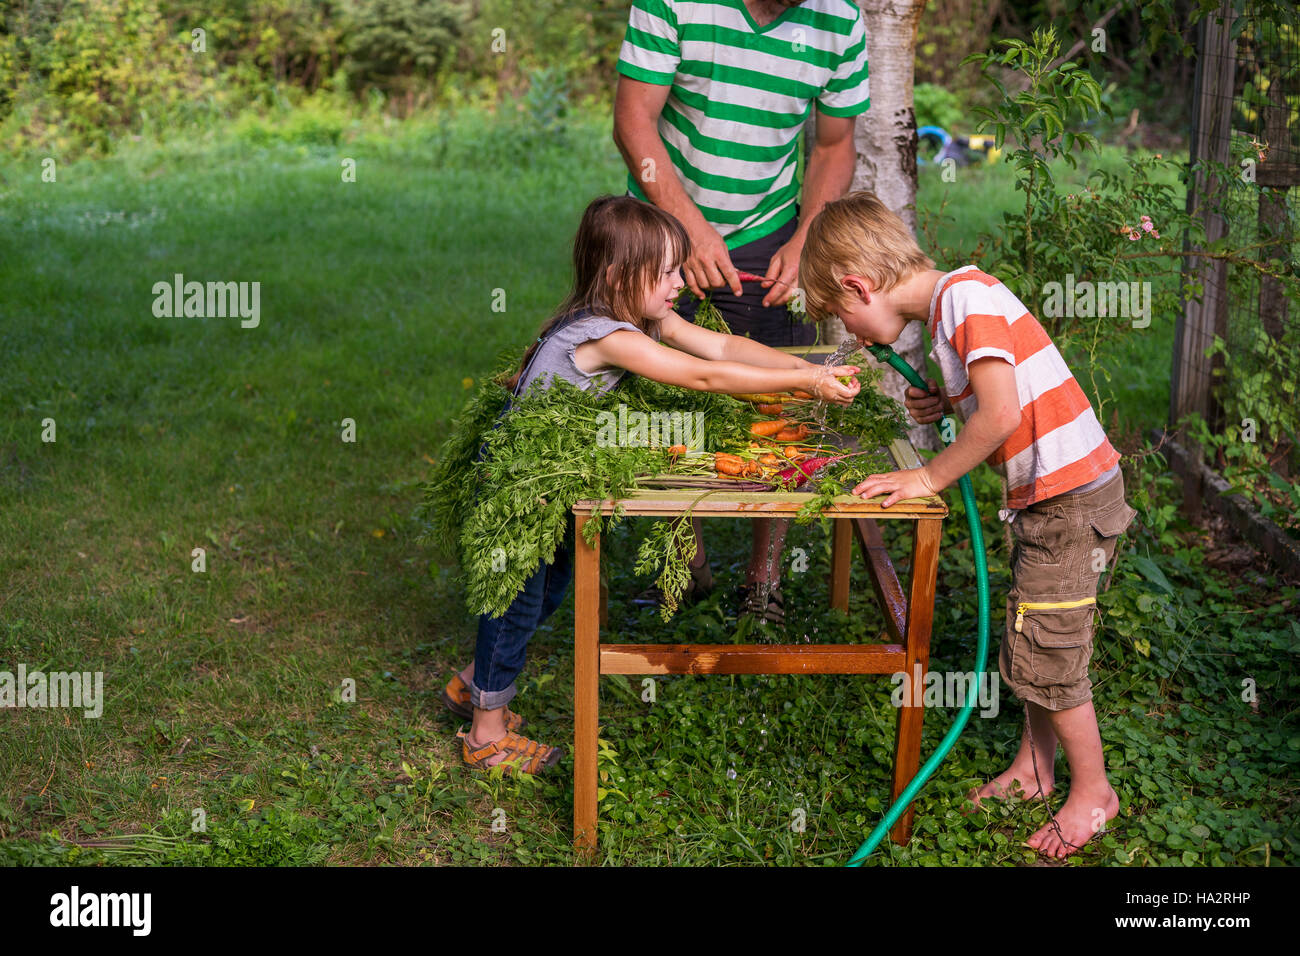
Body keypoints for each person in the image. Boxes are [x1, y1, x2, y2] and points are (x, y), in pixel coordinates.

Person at [443, 195, 862, 774]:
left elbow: (720, 347)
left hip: (555, 486)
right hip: (523, 488)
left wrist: (802, 372)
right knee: (514, 604)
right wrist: (810, 382)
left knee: (549, 592)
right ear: (619, 275)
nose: (678, 283)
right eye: (666, 272)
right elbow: (704, 374)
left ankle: (472, 685)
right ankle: (485, 736)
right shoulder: (606, 334)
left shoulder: (639, 317)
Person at [798, 191, 1138, 858]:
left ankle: (1094, 792)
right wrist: (941, 399)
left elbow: (1002, 416)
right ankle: (1036, 769)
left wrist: (926, 478)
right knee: (1032, 636)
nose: (853, 334)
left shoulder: (965, 300)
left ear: (857, 284)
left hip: (1070, 504)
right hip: (1052, 502)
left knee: (1053, 652)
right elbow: (990, 395)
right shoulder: (956, 304)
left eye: (843, 315)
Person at [613, 0, 870, 622]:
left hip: (770, 235)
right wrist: (688, 228)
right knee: (660, 398)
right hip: (661, 222)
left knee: (776, 401)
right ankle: (686, 567)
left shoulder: (839, 19)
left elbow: (835, 146)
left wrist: (807, 235)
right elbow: (634, 124)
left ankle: (763, 582)